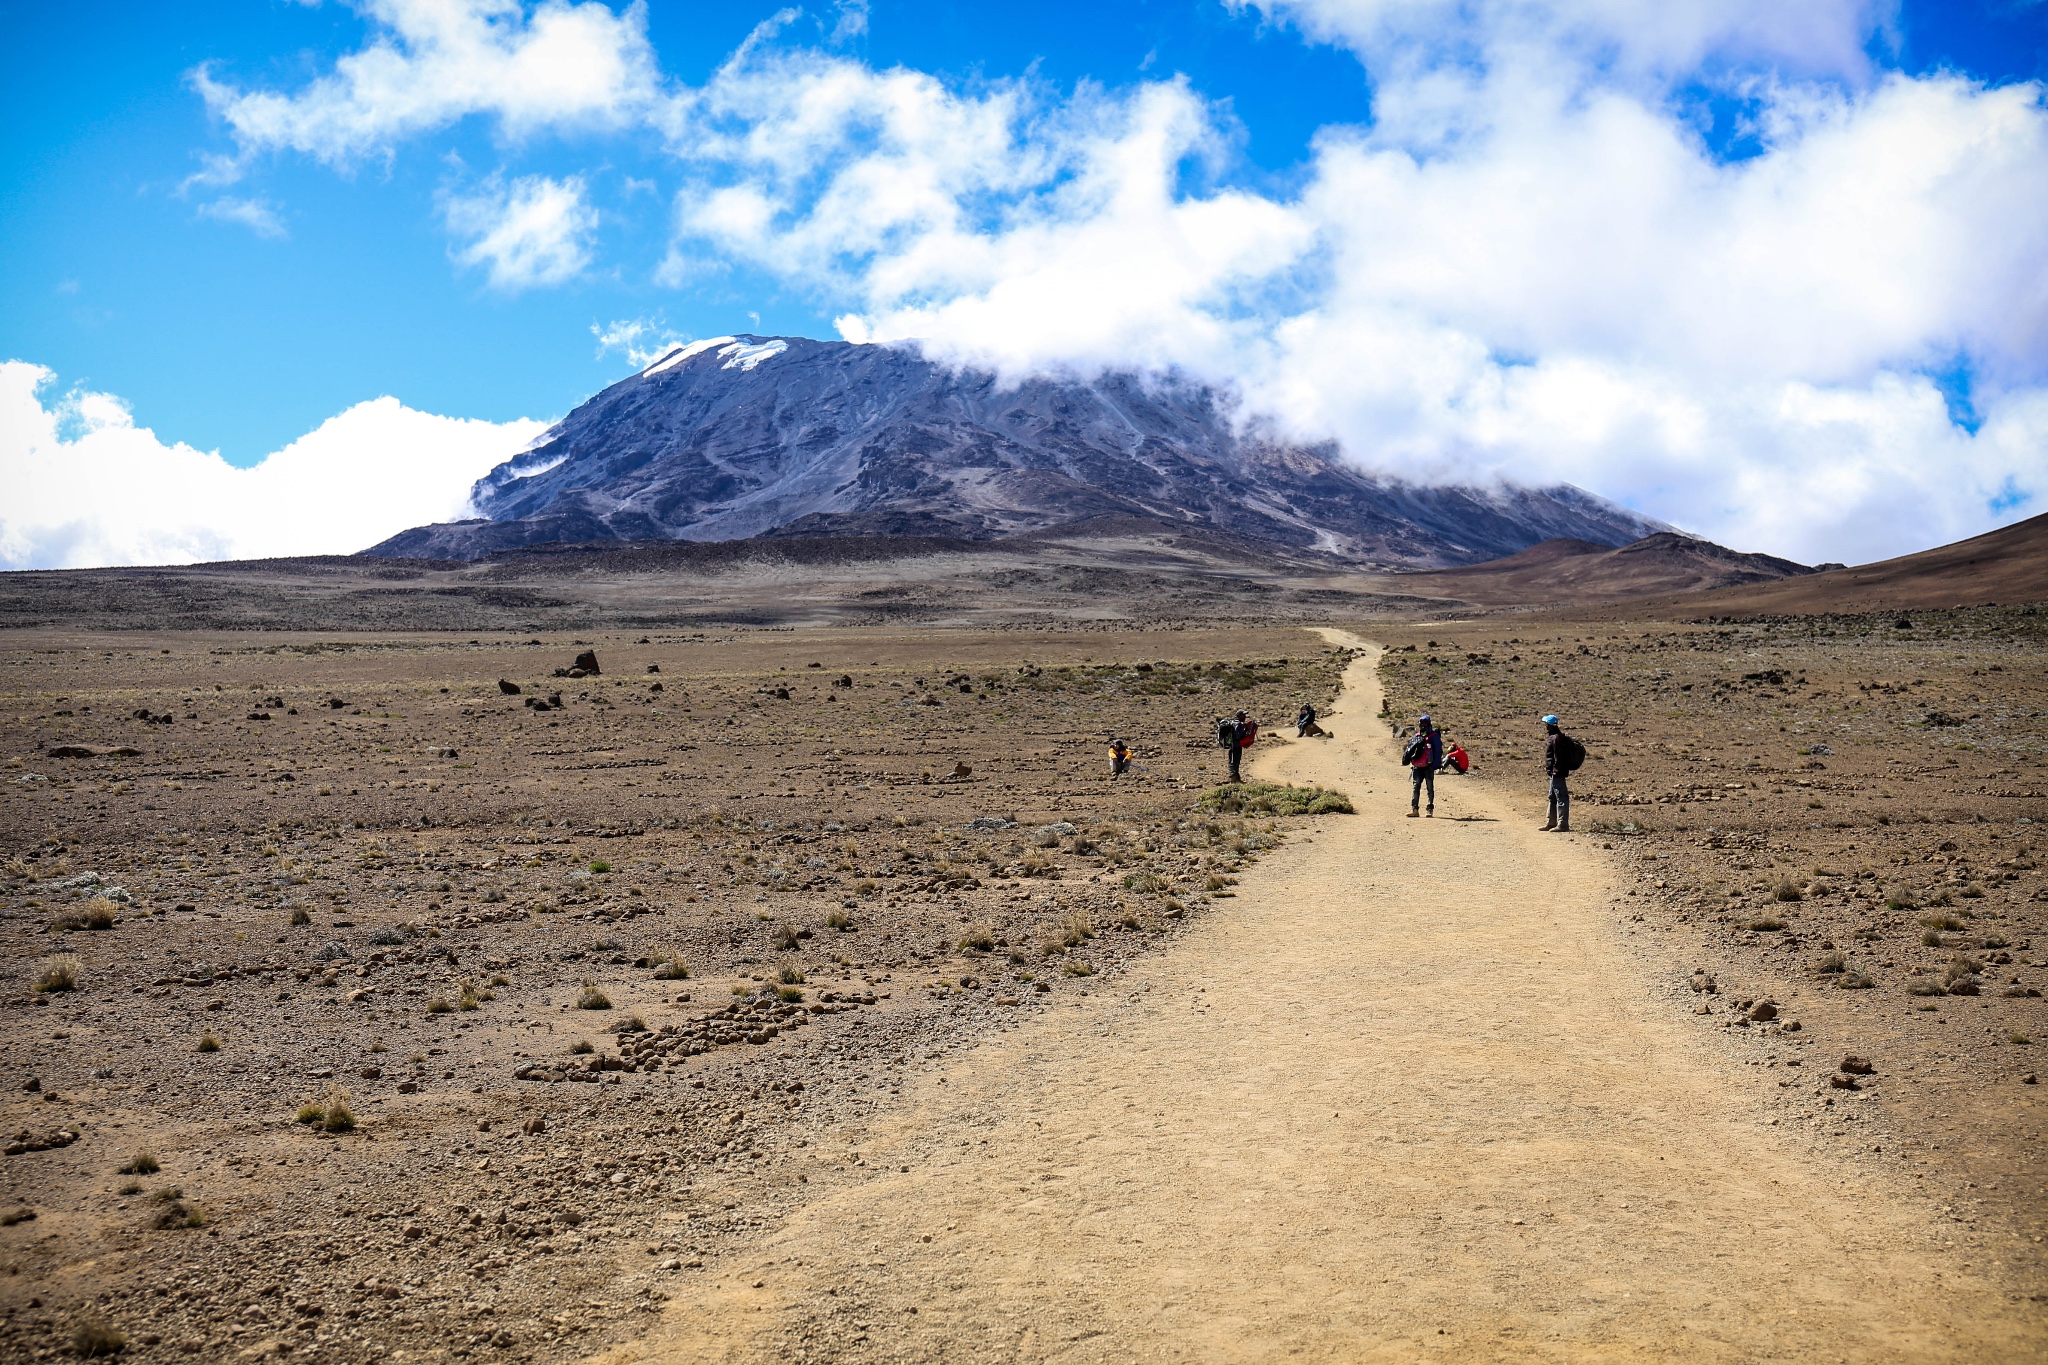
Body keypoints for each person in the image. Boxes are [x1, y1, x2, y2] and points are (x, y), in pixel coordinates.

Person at [1407, 714, 1443, 818]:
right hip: (1425, 767)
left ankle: (1418, 810)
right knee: (1428, 788)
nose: (1422, 725)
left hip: (1422, 767)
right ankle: (1425, 810)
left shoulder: (1420, 736)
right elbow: (1438, 751)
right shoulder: (1431, 736)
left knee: (1418, 787)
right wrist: (1435, 765)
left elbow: (1437, 751)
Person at [1542, 713, 1571, 832]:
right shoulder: (1555, 737)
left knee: (1561, 797)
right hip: (1554, 773)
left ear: (1550, 725)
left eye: (1546, 724)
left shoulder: (1556, 738)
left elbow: (1559, 757)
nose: (1545, 726)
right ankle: (1551, 822)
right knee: (1552, 796)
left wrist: (1556, 771)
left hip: (1557, 773)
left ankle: (1563, 824)